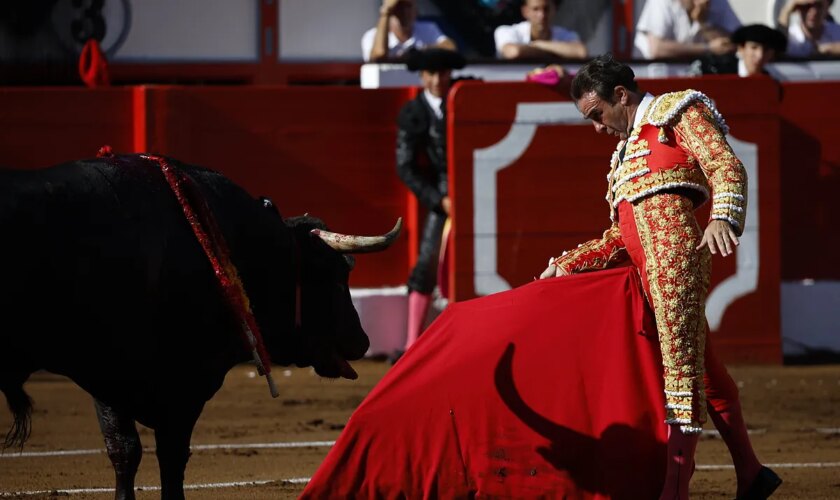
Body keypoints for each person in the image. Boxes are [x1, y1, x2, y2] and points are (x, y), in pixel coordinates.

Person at [540, 54, 782, 499]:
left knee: (679, 375)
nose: (597, 128)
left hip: (676, 265)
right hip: (645, 272)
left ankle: (674, 492)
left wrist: (722, 217)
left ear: (620, 95)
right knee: (703, 371)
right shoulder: (625, 152)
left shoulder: (675, 111)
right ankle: (751, 472)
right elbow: (619, 236)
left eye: (597, 115)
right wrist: (569, 262)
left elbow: (725, 165)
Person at [396, 48, 466, 358]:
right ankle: (412, 343)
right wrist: (438, 199)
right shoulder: (415, 112)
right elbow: (405, 167)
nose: (438, 79)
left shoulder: (467, 94)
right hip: (445, 195)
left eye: (443, 72)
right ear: (422, 76)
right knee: (427, 262)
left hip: (478, 187)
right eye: (432, 73)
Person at [634, 0, 741, 59]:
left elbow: (733, 43)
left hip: (696, 77)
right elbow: (657, 49)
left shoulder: (717, 3)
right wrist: (707, 48)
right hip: (657, 76)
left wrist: (703, 23)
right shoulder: (661, 2)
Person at [362, 0, 456, 62]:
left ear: (416, 9)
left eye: (408, 6)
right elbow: (378, 56)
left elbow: (450, 48)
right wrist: (385, 12)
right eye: (398, 7)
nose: (404, 12)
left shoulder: (427, 28)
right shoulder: (371, 36)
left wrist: (418, 53)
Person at [493, 0, 587, 60]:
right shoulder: (505, 31)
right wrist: (557, 52)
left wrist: (538, 44)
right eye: (535, 9)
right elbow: (513, 52)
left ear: (554, 10)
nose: (542, 15)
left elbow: (581, 52)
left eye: (546, 9)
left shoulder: (566, 34)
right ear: (525, 11)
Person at [693, 24, 787, 76]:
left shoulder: (769, 82)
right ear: (741, 49)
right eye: (754, 48)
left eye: (766, 50)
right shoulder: (715, 70)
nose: (760, 55)